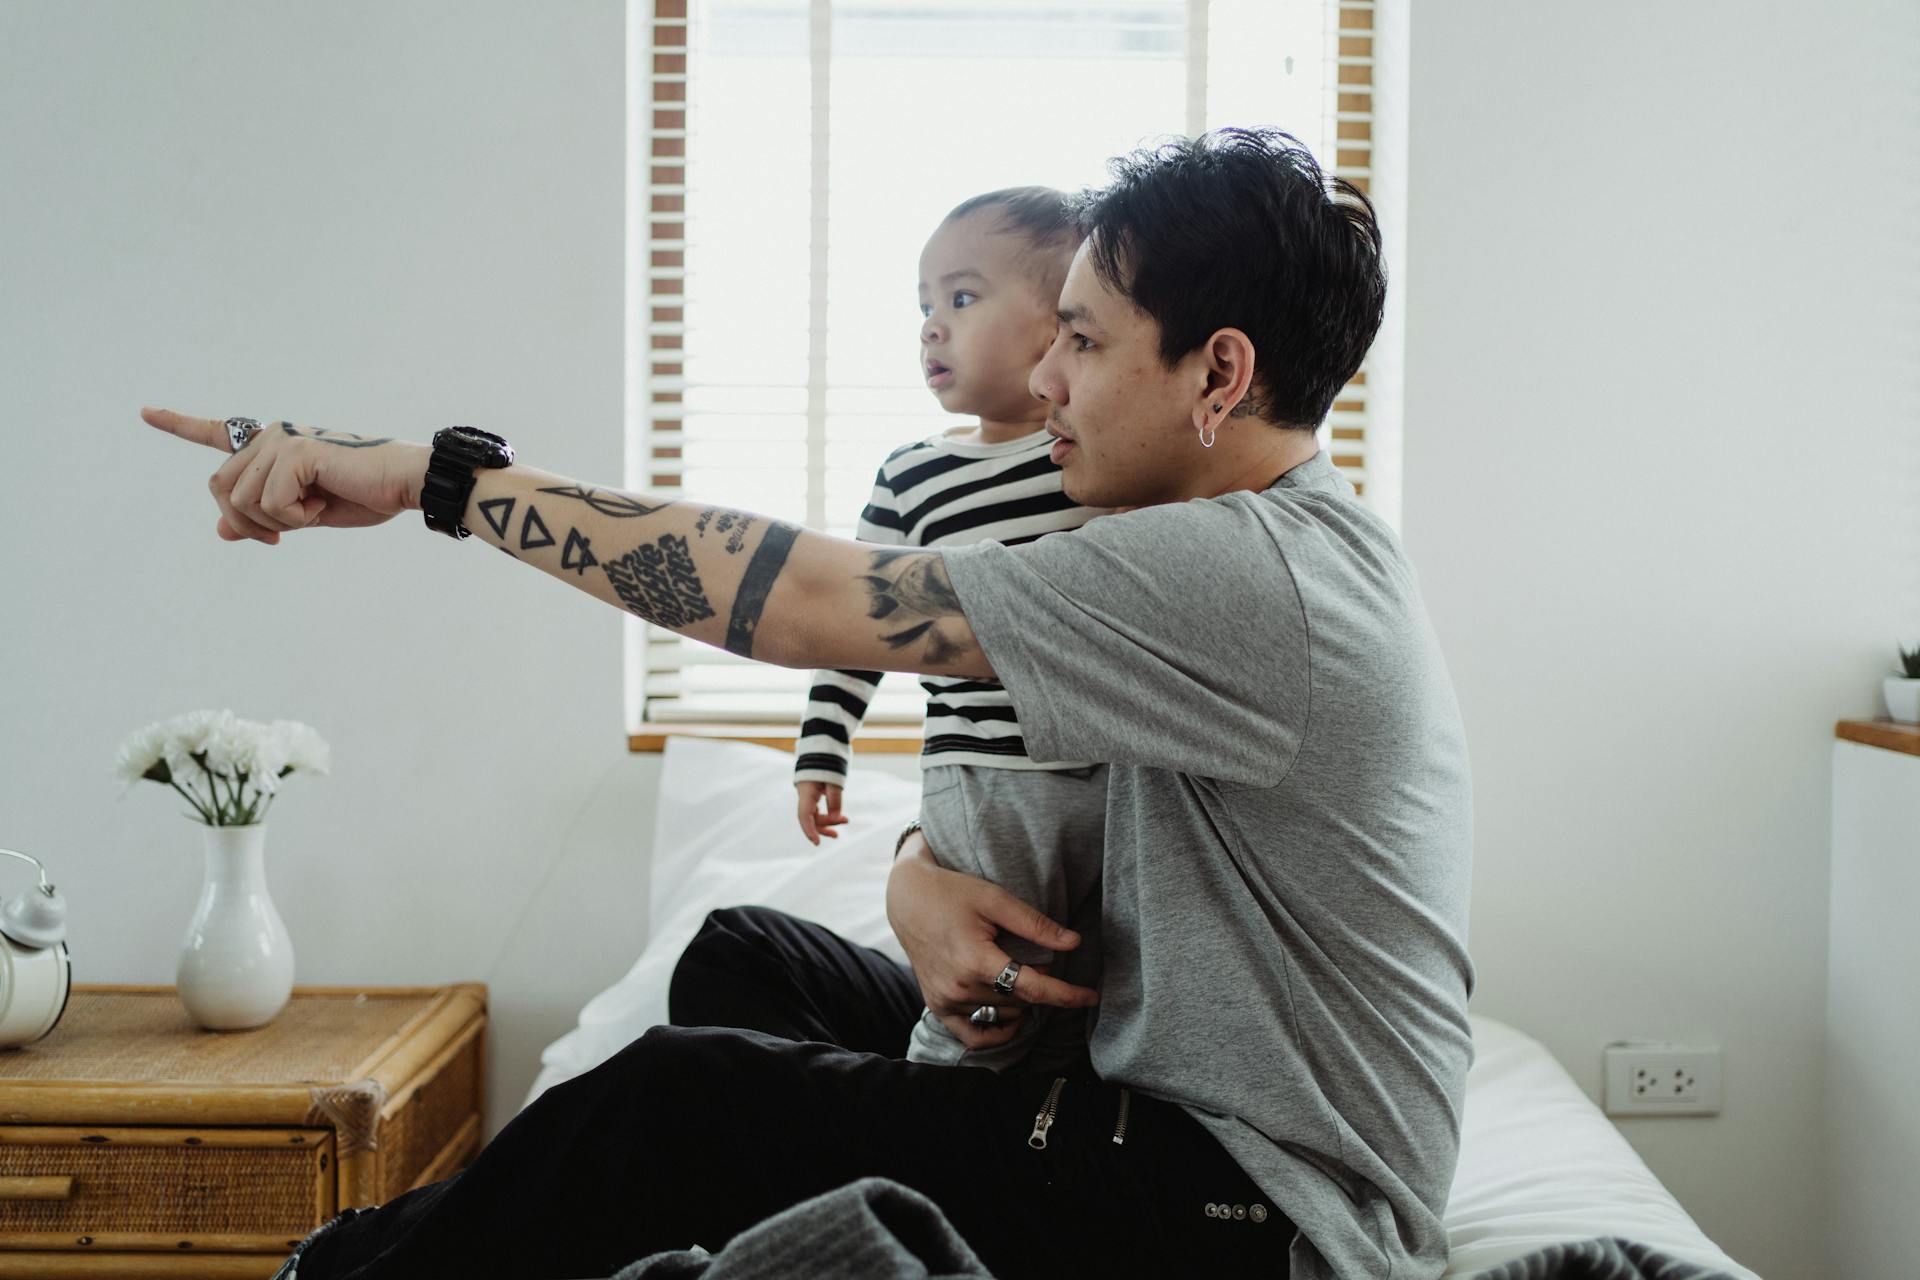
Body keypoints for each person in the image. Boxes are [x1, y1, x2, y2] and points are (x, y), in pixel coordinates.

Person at [149, 127, 1473, 1280]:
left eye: (1082, 337)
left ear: (1219, 374)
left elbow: (808, 603)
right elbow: (1026, 799)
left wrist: (439, 481)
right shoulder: (1232, 549)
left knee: (678, 1102)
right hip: (1137, 1100)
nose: (1049, 380)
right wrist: (911, 874)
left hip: (1262, 1219)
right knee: (741, 955)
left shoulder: (1246, 573)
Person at [793, 185, 1110, 1074]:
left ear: (1062, 325)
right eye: (925, 307)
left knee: (1086, 982)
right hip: (986, 777)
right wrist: (823, 748)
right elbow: (848, 620)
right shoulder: (911, 477)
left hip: (1109, 774)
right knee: (986, 994)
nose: (932, 327)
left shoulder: (1088, 456)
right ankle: (931, 1086)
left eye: (962, 300)